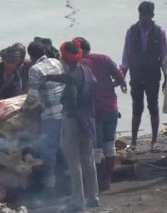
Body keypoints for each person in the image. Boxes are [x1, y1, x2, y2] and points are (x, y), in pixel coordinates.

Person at [45, 40, 99, 212]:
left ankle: (78, 201)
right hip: (89, 120)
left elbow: (71, 95)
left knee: (73, 162)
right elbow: (75, 80)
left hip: (73, 121)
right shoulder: (86, 70)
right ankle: (93, 197)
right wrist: (51, 78)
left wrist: (72, 112)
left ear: (64, 58)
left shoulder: (71, 78)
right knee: (88, 160)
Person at [74, 37, 126, 191]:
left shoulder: (80, 65)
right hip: (111, 108)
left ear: (79, 50)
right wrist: (108, 85)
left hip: (94, 111)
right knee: (109, 146)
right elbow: (121, 79)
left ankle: (94, 182)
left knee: (95, 148)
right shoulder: (104, 58)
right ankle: (107, 180)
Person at [121, 1, 167, 150]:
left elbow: (164, 58)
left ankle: (154, 141)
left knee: (153, 106)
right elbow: (126, 56)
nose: (143, 18)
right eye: (141, 15)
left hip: (153, 75)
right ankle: (133, 141)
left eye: (146, 15)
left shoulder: (160, 32)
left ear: (152, 15)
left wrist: (166, 78)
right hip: (136, 74)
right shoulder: (131, 31)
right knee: (136, 107)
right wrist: (122, 76)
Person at [21, 41, 65, 195]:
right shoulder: (56, 61)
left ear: (31, 56)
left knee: (48, 150)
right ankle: (67, 179)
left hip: (51, 115)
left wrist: (23, 109)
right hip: (65, 111)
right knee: (64, 145)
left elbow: (32, 97)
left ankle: (50, 186)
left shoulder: (35, 69)